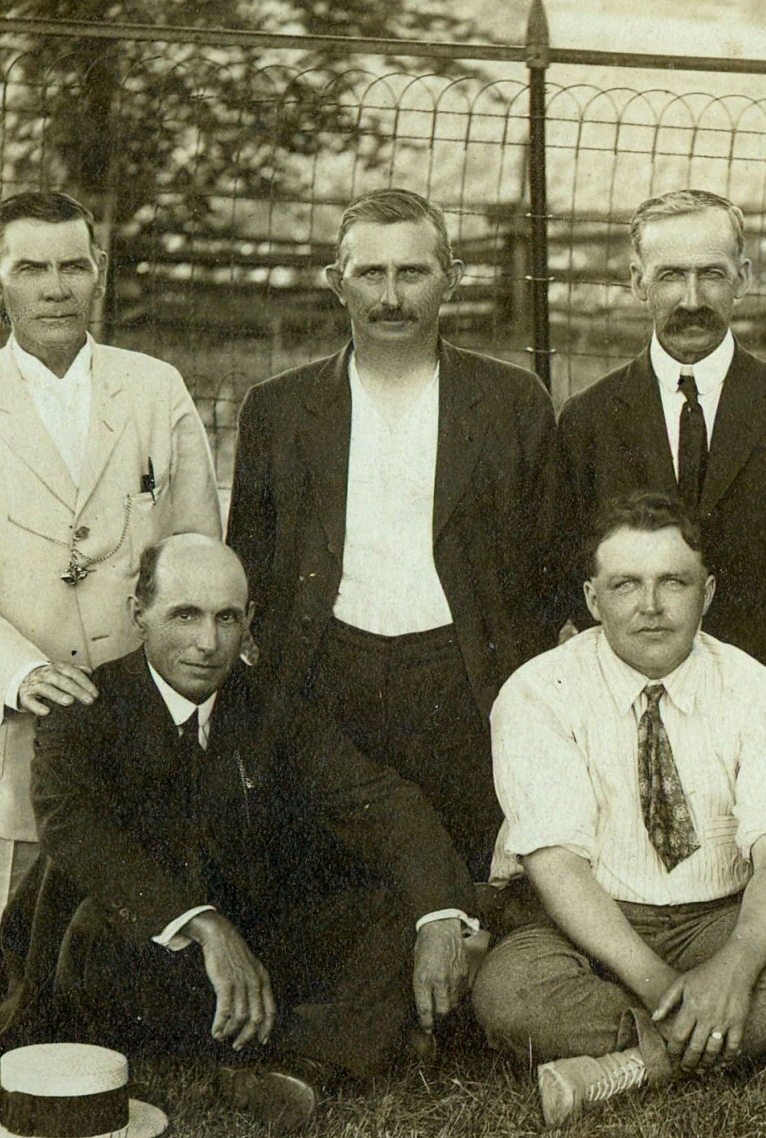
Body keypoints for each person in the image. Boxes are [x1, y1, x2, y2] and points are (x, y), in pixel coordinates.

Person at [30, 535, 479, 1132]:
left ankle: (282, 1058)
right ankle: (318, 1047)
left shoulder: (273, 708)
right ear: (139, 615)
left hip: (258, 941)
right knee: (95, 936)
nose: (207, 642)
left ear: (249, 624)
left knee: (398, 911)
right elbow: (80, 837)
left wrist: (440, 917)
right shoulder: (85, 709)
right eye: (184, 615)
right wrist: (205, 926)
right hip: (146, 941)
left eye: (227, 618)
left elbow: (383, 801)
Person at [471, 492, 766, 1127]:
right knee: (508, 993)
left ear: (708, 592)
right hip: (583, 929)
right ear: (591, 599)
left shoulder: (762, 693)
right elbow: (556, 866)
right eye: (626, 585)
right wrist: (665, 988)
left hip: (720, 921)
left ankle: (632, 1064)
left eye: (673, 582)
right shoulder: (538, 691)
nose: (650, 606)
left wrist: (736, 969)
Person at [0, 190, 221, 988]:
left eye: (74, 265)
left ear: (98, 275)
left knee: (147, 956)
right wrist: (21, 672)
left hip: (138, 734)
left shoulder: (153, 390)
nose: (55, 287)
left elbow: (199, 551)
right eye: (30, 268)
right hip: (11, 737)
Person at [556, 190, 766, 904]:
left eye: (712, 274)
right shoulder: (588, 424)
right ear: (634, 278)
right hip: (635, 731)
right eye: (671, 275)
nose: (692, 298)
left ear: (745, 274)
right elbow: (567, 585)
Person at [226, 189, 561, 882]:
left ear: (452, 278)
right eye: (369, 275)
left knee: (465, 872)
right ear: (335, 282)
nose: (390, 298)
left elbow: (548, 563)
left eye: (412, 273)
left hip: (461, 678)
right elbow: (251, 561)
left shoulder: (510, 401)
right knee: (329, 876)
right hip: (326, 672)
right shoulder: (279, 410)